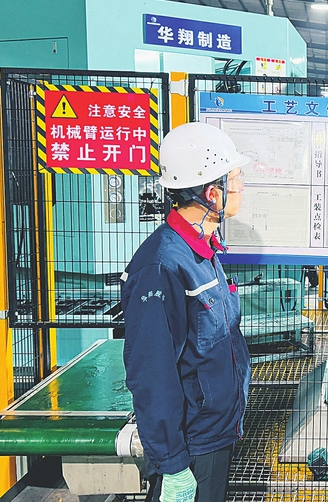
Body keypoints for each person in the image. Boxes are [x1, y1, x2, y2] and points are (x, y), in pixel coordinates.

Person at [121, 122, 252, 502]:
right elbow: (152, 374)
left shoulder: (202, 249)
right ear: (212, 193)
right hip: (191, 447)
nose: (242, 186)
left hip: (214, 434)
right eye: (235, 178)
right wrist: (173, 465)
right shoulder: (162, 266)